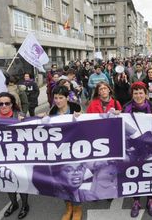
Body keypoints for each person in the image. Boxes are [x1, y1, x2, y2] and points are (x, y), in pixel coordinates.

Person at [0, 92, 29, 219]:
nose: (4, 106)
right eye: (0, 104)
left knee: (21, 181)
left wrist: (24, 120)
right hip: (1, 156)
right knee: (7, 180)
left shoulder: (20, 116)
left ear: (12, 104)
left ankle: (25, 205)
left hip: (19, 156)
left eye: (7, 103)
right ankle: (14, 204)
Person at [47, 86, 83, 220]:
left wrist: (80, 118)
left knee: (74, 182)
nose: (58, 101)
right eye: (55, 98)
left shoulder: (76, 109)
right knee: (62, 182)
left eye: (61, 98)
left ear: (67, 98)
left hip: (75, 152)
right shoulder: (52, 111)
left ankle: (77, 208)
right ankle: (68, 207)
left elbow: (86, 127)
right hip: (59, 153)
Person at [123, 82, 152, 217]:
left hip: (149, 147)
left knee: (150, 173)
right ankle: (136, 201)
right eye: (135, 93)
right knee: (135, 174)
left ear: (146, 94)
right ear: (132, 94)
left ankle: (150, 199)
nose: (138, 96)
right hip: (133, 148)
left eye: (141, 93)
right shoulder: (126, 107)